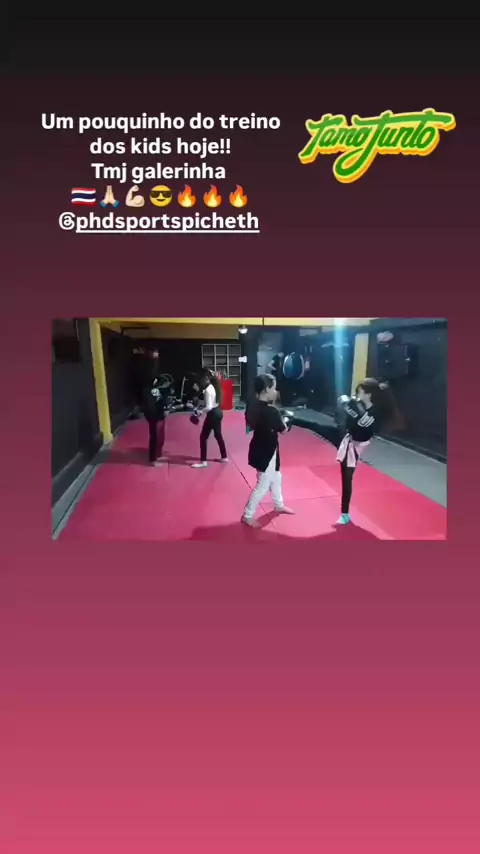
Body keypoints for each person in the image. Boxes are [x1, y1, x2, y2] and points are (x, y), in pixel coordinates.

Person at [335, 378, 400, 525]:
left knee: (347, 478)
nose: (358, 394)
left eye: (360, 392)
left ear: (368, 394)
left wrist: (349, 407)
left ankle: (344, 514)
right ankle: (294, 421)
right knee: (318, 428)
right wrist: (349, 406)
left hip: (356, 445)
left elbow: (364, 426)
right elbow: (350, 423)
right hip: (347, 438)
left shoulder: (375, 413)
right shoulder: (359, 405)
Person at [242, 374, 295, 527]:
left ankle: (279, 505)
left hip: (259, 447)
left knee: (277, 477)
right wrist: (287, 420)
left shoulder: (252, 405)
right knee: (263, 484)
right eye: (273, 388)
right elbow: (284, 430)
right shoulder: (270, 411)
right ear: (266, 389)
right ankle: (248, 515)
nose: (276, 392)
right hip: (267, 451)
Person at [191, 369, 228, 468]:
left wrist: (199, 412)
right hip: (218, 412)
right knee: (218, 435)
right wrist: (200, 404)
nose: (200, 382)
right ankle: (224, 457)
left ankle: (203, 461)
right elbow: (210, 402)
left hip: (213, 414)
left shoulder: (208, 390)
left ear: (206, 378)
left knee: (203, 437)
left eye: (201, 380)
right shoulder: (212, 387)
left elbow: (209, 407)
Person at [142, 374, 167, 466]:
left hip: (160, 415)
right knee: (155, 437)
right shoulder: (147, 391)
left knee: (161, 436)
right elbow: (150, 406)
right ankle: (153, 459)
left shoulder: (157, 389)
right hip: (154, 417)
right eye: (155, 380)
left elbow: (160, 400)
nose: (156, 381)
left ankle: (158, 454)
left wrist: (165, 409)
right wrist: (154, 416)